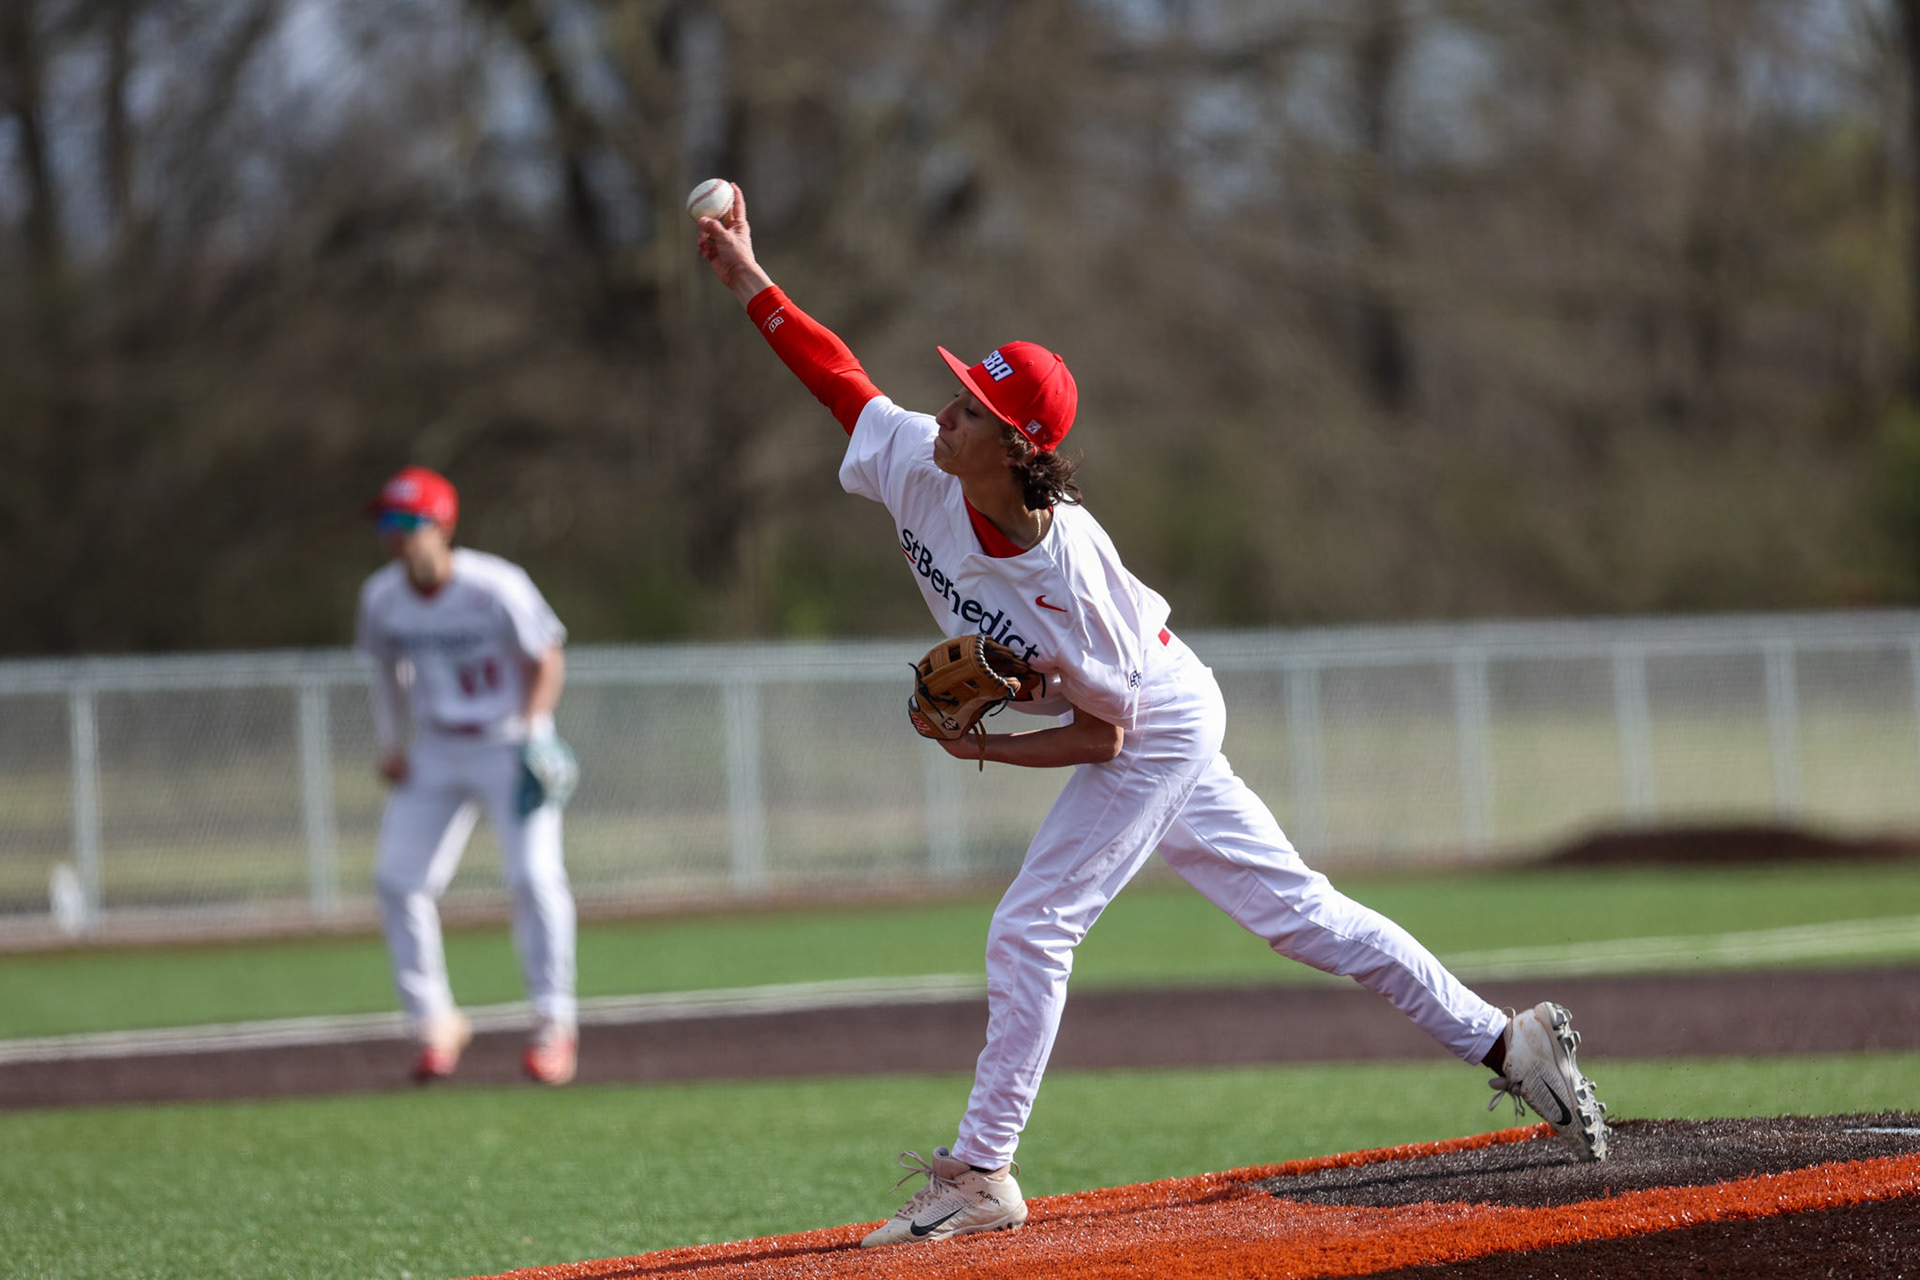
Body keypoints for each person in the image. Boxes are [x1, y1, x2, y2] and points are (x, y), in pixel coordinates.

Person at [694, 184, 1610, 1248]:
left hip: (1156, 715)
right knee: (1304, 916)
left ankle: (983, 1169)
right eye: (955, 394)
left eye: (971, 409)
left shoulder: (1070, 573)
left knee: (1032, 925)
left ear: (1018, 447)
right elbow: (838, 378)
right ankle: (1508, 1043)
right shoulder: (921, 466)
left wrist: (985, 743)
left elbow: (1108, 737)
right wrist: (751, 281)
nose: (943, 414)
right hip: (1143, 700)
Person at [354, 466, 581, 1086]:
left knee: (534, 877)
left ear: (443, 525)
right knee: (397, 880)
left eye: (409, 521)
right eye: (387, 521)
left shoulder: (494, 585)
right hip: (436, 746)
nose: (396, 534)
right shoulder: (382, 596)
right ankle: (435, 1022)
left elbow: (547, 657)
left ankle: (554, 1023)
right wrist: (391, 742)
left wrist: (535, 732)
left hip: (507, 742)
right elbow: (385, 671)